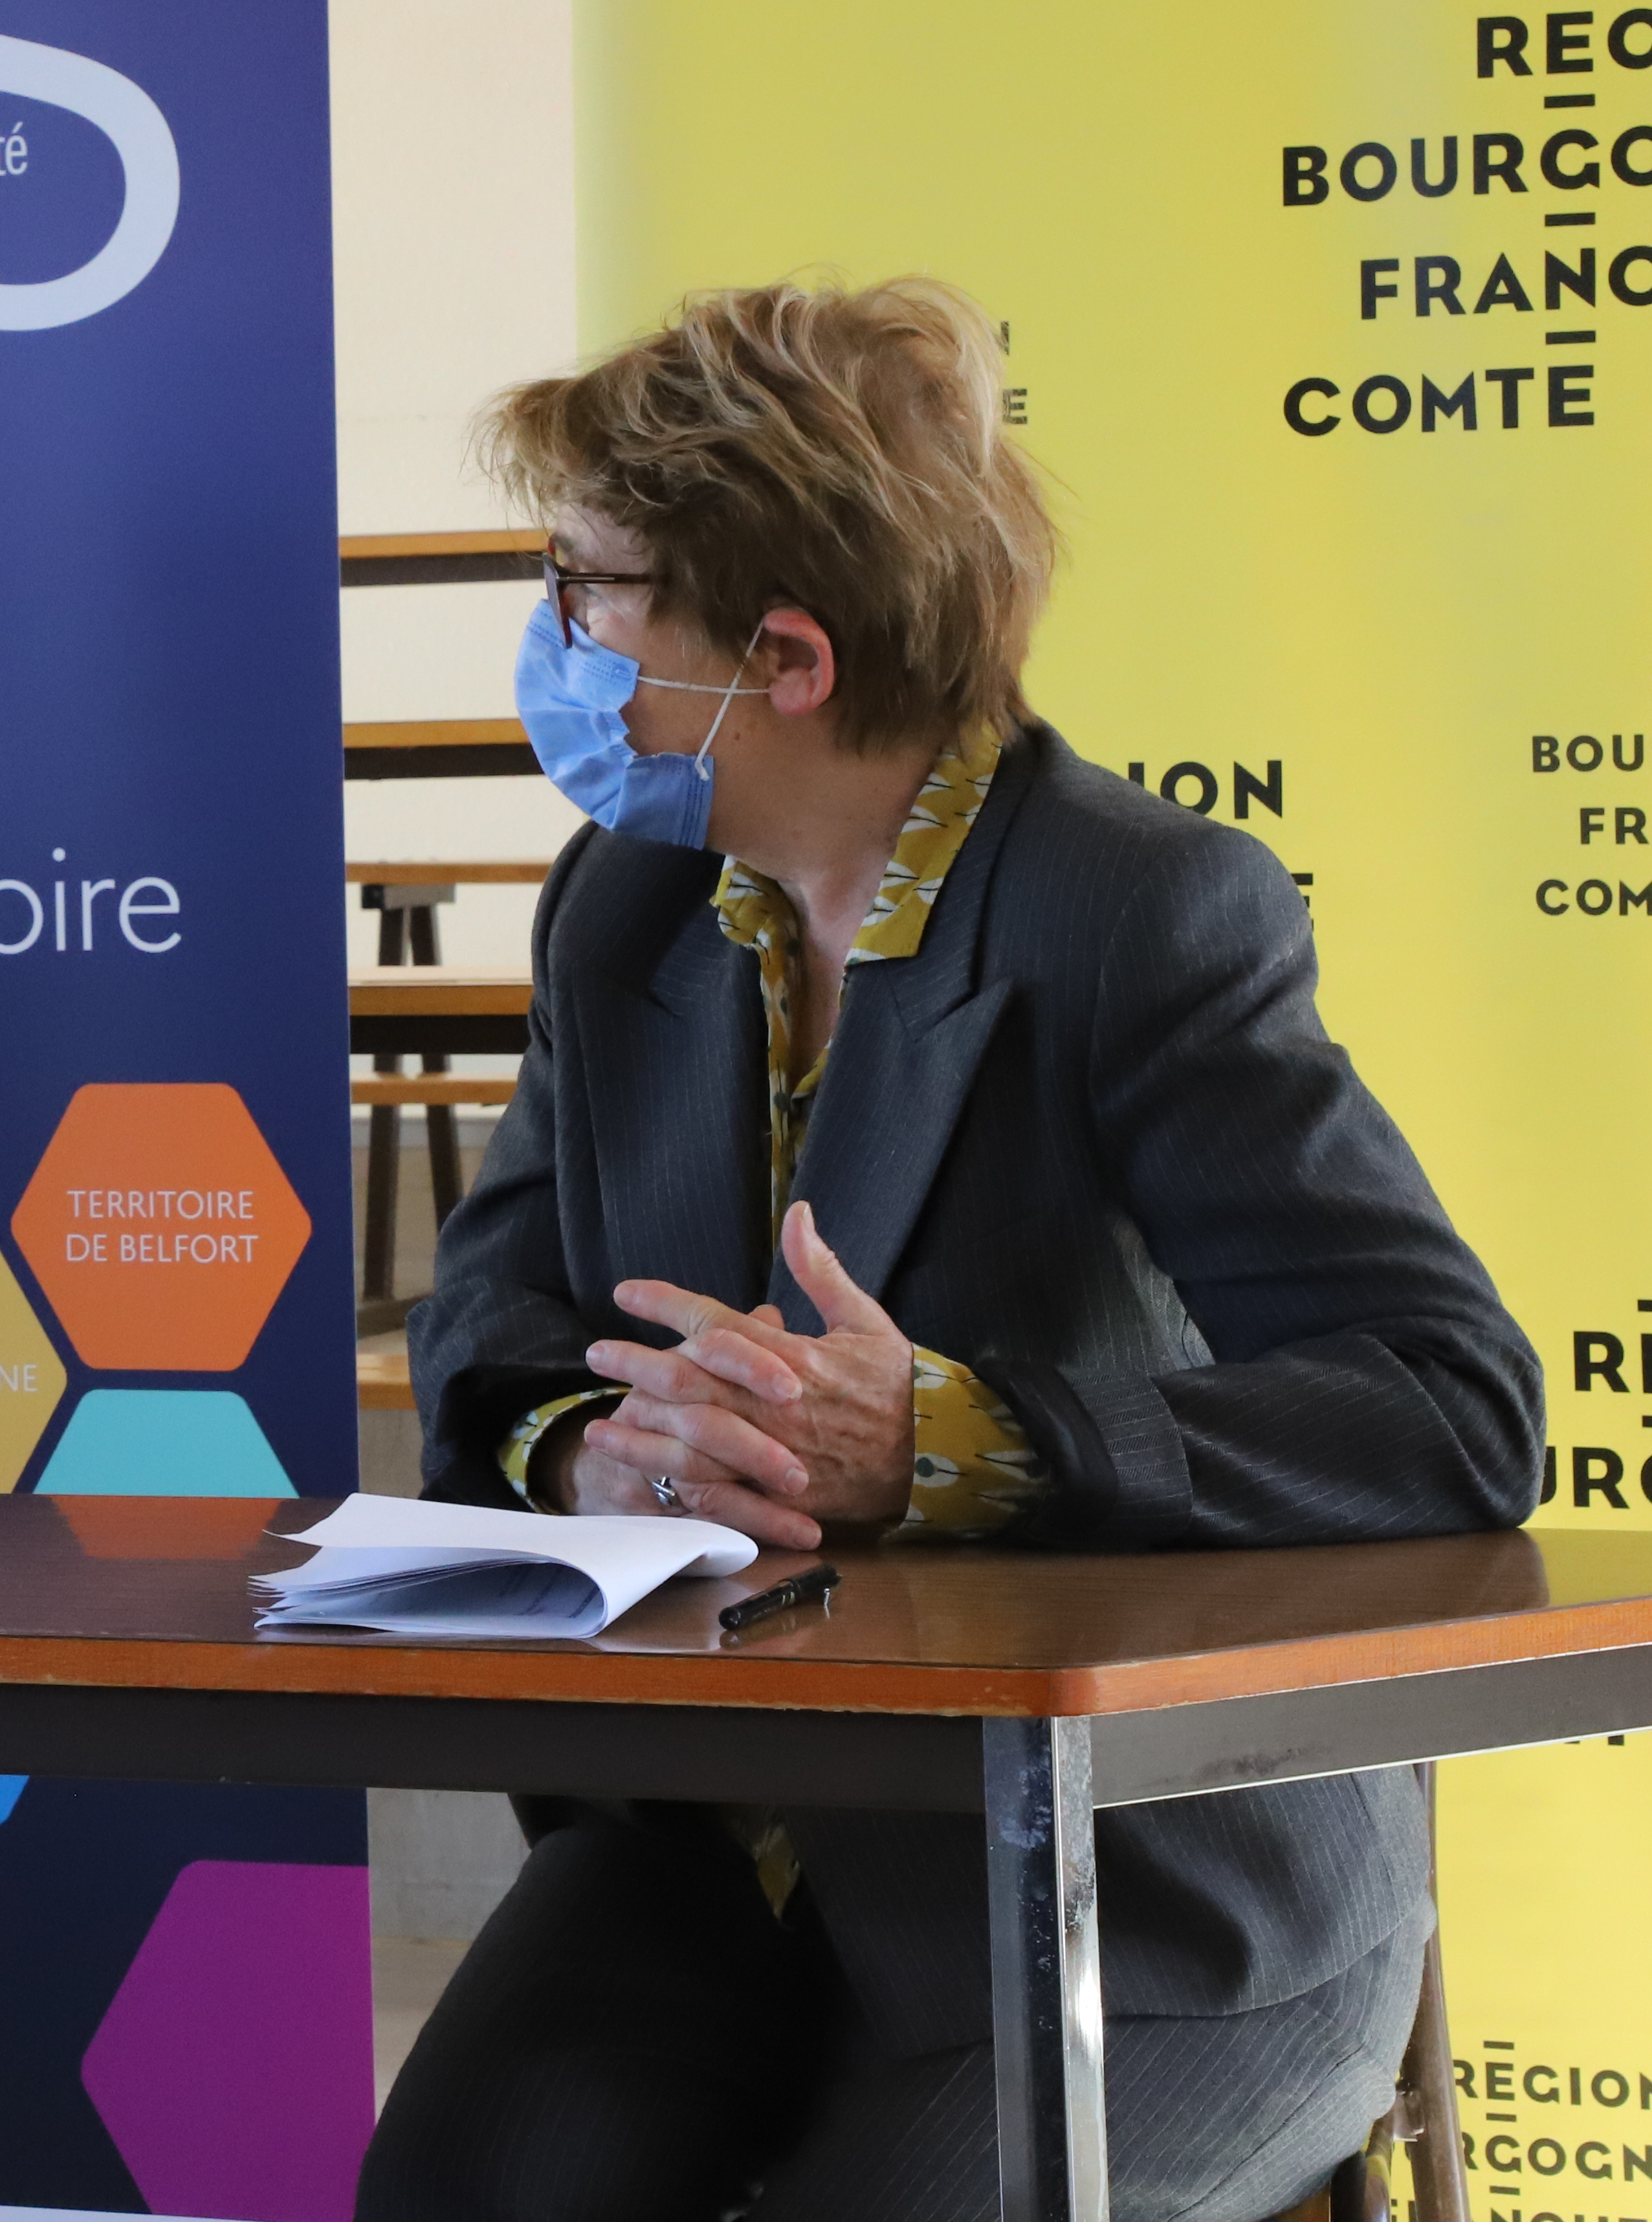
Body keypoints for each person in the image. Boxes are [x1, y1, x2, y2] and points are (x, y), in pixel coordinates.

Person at [368, 277, 1541, 2222]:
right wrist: (595, 1447)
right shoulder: (627, 904)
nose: (556, 639)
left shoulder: (1141, 912)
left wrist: (950, 1443)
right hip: (718, 1839)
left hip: (1149, 1891)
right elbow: (497, 1312)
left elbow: (1448, 1408)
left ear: (790, 657)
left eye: (590, 590)